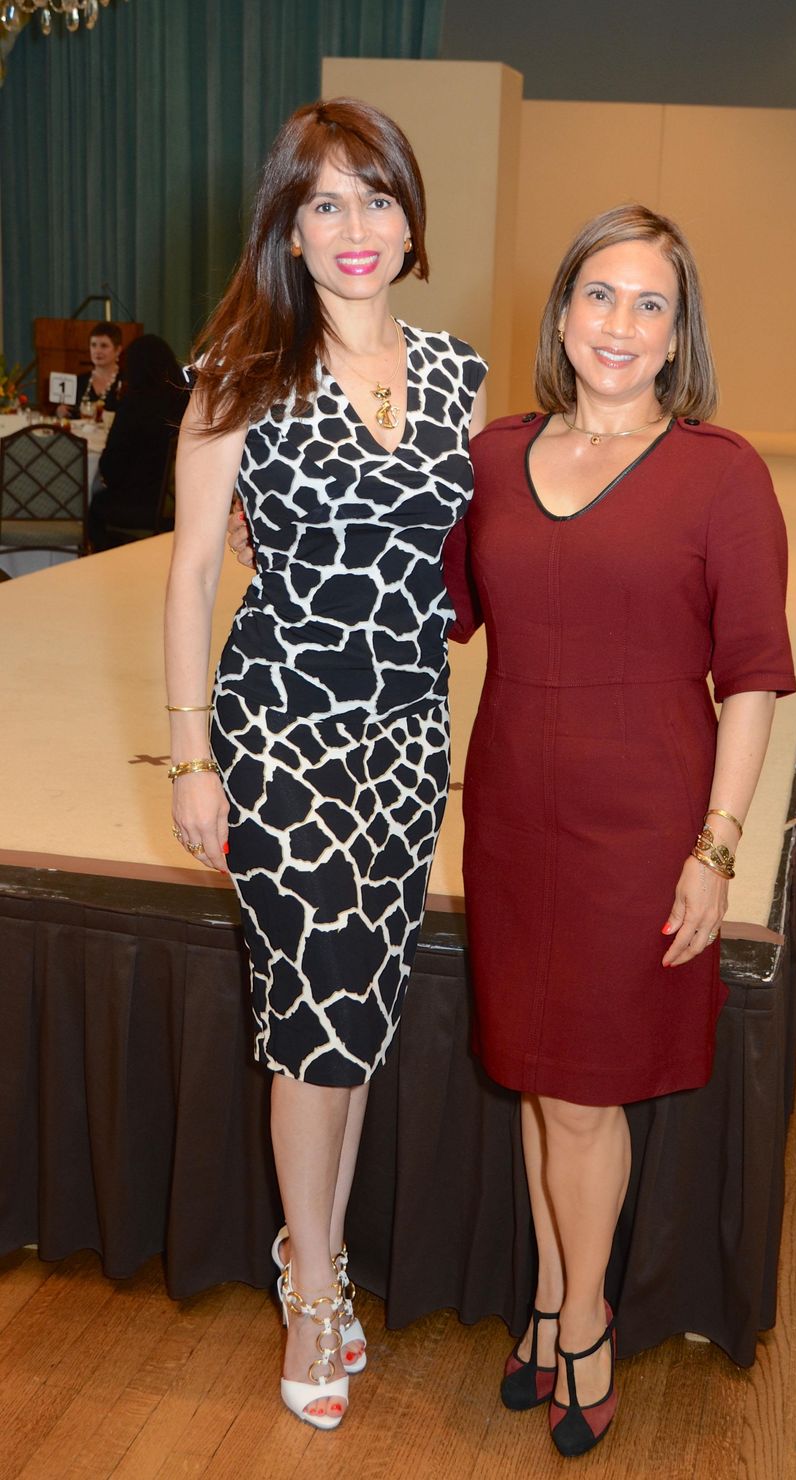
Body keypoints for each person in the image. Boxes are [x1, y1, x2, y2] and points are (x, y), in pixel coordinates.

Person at [444, 204, 796, 1457]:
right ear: (559, 313)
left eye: (651, 304)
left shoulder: (721, 474)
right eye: (599, 294)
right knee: (538, 1074)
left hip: (641, 823)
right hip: (511, 817)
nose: (619, 323)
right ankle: (550, 1305)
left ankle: (584, 1320)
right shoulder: (491, 456)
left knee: (583, 1092)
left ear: (678, 335)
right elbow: (423, 606)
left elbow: (750, 678)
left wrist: (714, 848)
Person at [163, 98, 487, 1432]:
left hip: (409, 736)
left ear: (411, 222)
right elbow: (192, 574)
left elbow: (478, 563)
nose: (357, 226)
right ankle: (309, 1294)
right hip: (283, 732)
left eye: (378, 197)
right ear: (289, 232)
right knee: (312, 1024)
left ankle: (320, 1254)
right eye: (326, 203)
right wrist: (191, 756)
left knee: (359, 1019)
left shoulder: (459, 376)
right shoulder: (238, 373)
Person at [88, 334, 188, 551]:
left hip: (138, 506)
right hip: (180, 505)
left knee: (93, 507)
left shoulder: (133, 406)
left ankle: (109, 565)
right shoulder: (186, 403)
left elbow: (110, 469)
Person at [56, 320, 124, 419]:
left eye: (104, 346)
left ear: (118, 350)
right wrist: (60, 412)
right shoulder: (78, 382)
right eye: (93, 345)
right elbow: (68, 417)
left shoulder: (127, 382)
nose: (97, 351)